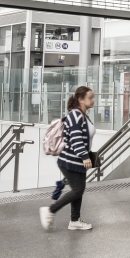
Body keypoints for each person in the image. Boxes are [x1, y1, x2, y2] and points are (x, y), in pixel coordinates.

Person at [40, 86, 96, 232]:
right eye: (90, 97)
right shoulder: (76, 115)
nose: (93, 100)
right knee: (77, 190)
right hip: (71, 160)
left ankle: (75, 220)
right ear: (80, 99)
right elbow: (76, 138)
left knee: (79, 190)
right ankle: (50, 210)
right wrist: (84, 156)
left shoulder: (82, 115)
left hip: (76, 160)